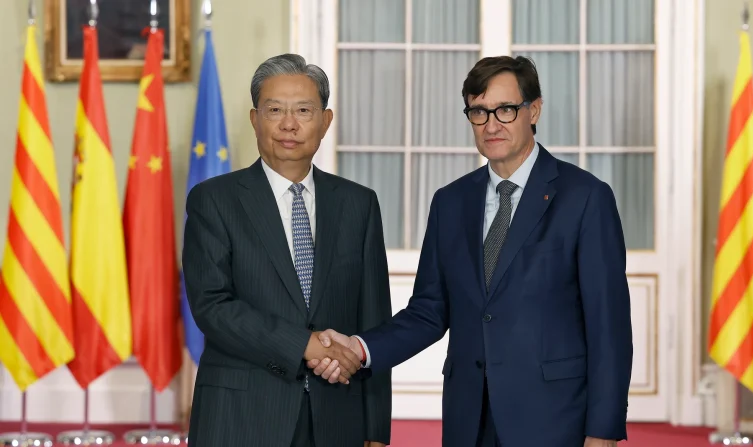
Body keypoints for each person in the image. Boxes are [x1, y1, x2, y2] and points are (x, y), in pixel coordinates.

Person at [308, 55, 633, 447]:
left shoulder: (585, 197)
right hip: (469, 417)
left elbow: (609, 325)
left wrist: (603, 429)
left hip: (554, 418)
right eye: (478, 112)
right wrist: (359, 349)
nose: (491, 125)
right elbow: (429, 311)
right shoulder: (450, 202)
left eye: (505, 109)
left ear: (534, 110)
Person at [182, 53, 392, 447]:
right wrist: (304, 345)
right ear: (255, 119)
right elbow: (212, 306)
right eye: (275, 109)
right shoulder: (214, 200)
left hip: (338, 415)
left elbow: (374, 319)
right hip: (240, 417)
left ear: (325, 121)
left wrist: (376, 428)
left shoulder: (358, 204)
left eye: (303, 110)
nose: (289, 124)